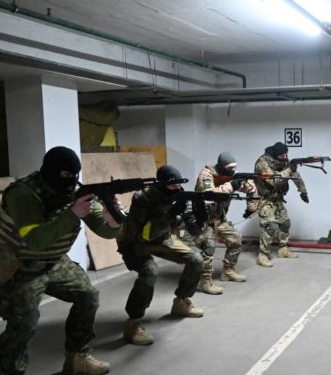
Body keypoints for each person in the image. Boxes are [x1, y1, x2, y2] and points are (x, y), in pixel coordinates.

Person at [0, 146, 122, 375]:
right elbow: (33, 241)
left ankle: (77, 356)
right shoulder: (23, 194)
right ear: (51, 171)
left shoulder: (74, 191)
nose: (71, 180)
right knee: (24, 320)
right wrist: (73, 213)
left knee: (88, 295)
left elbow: (105, 229)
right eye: (66, 174)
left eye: (75, 175)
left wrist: (114, 219)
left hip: (50, 261)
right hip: (16, 264)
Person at [116, 165, 205, 346]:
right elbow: (145, 234)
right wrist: (171, 214)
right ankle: (133, 324)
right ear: (162, 184)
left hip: (162, 239)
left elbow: (191, 225)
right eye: (174, 185)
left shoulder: (179, 195)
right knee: (149, 271)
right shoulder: (143, 198)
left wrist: (200, 222)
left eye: (180, 185)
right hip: (135, 242)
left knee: (196, 259)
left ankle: (181, 302)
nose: (178, 189)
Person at [191, 151, 259, 293]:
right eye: (230, 167)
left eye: (235, 167)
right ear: (221, 166)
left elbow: (251, 188)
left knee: (236, 239)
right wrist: (231, 186)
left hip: (219, 218)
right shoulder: (206, 175)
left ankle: (228, 271)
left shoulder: (232, 176)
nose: (233, 170)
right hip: (203, 219)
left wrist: (251, 208)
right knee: (208, 247)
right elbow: (209, 193)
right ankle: (205, 282)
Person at [253, 142, 308, 267]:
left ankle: (282, 249)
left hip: (277, 199)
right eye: (283, 155)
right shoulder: (262, 163)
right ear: (276, 155)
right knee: (271, 226)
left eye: (286, 154)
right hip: (264, 200)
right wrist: (289, 169)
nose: (286, 157)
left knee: (285, 223)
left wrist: (303, 191)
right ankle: (262, 255)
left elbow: (295, 175)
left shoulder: (282, 161)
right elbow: (274, 181)